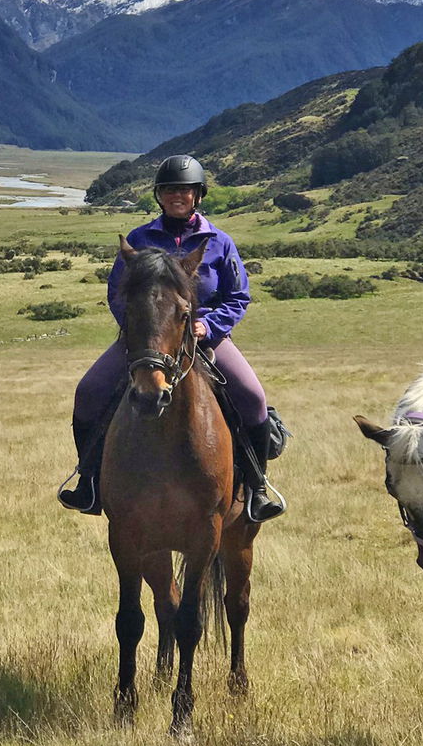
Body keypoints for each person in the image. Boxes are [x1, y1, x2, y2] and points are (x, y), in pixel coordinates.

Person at [59, 154, 285, 522]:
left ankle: (257, 487)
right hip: (146, 341)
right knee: (89, 391)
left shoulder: (220, 243)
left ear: (198, 195)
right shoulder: (139, 239)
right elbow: (118, 293)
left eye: (185, 190)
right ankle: (88, 481)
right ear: (159, 196)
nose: (177, 195)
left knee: (252, 396)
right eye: (169, 190)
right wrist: (141, 332)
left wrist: (207, 326)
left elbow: (238, 296)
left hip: (204, 338)